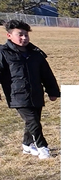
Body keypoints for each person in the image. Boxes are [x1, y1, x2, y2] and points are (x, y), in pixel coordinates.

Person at [0, 20, 61, 159]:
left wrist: (52, 91)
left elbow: (47, 74)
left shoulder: (35, 53)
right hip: (17, 95)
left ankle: (27, 145)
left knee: (33, 121)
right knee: (33, 121)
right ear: (9, 36)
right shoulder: (3, 53)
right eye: (20, 35)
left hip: (36, 94)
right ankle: (42, 147)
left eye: (26, 35)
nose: (24, 38)